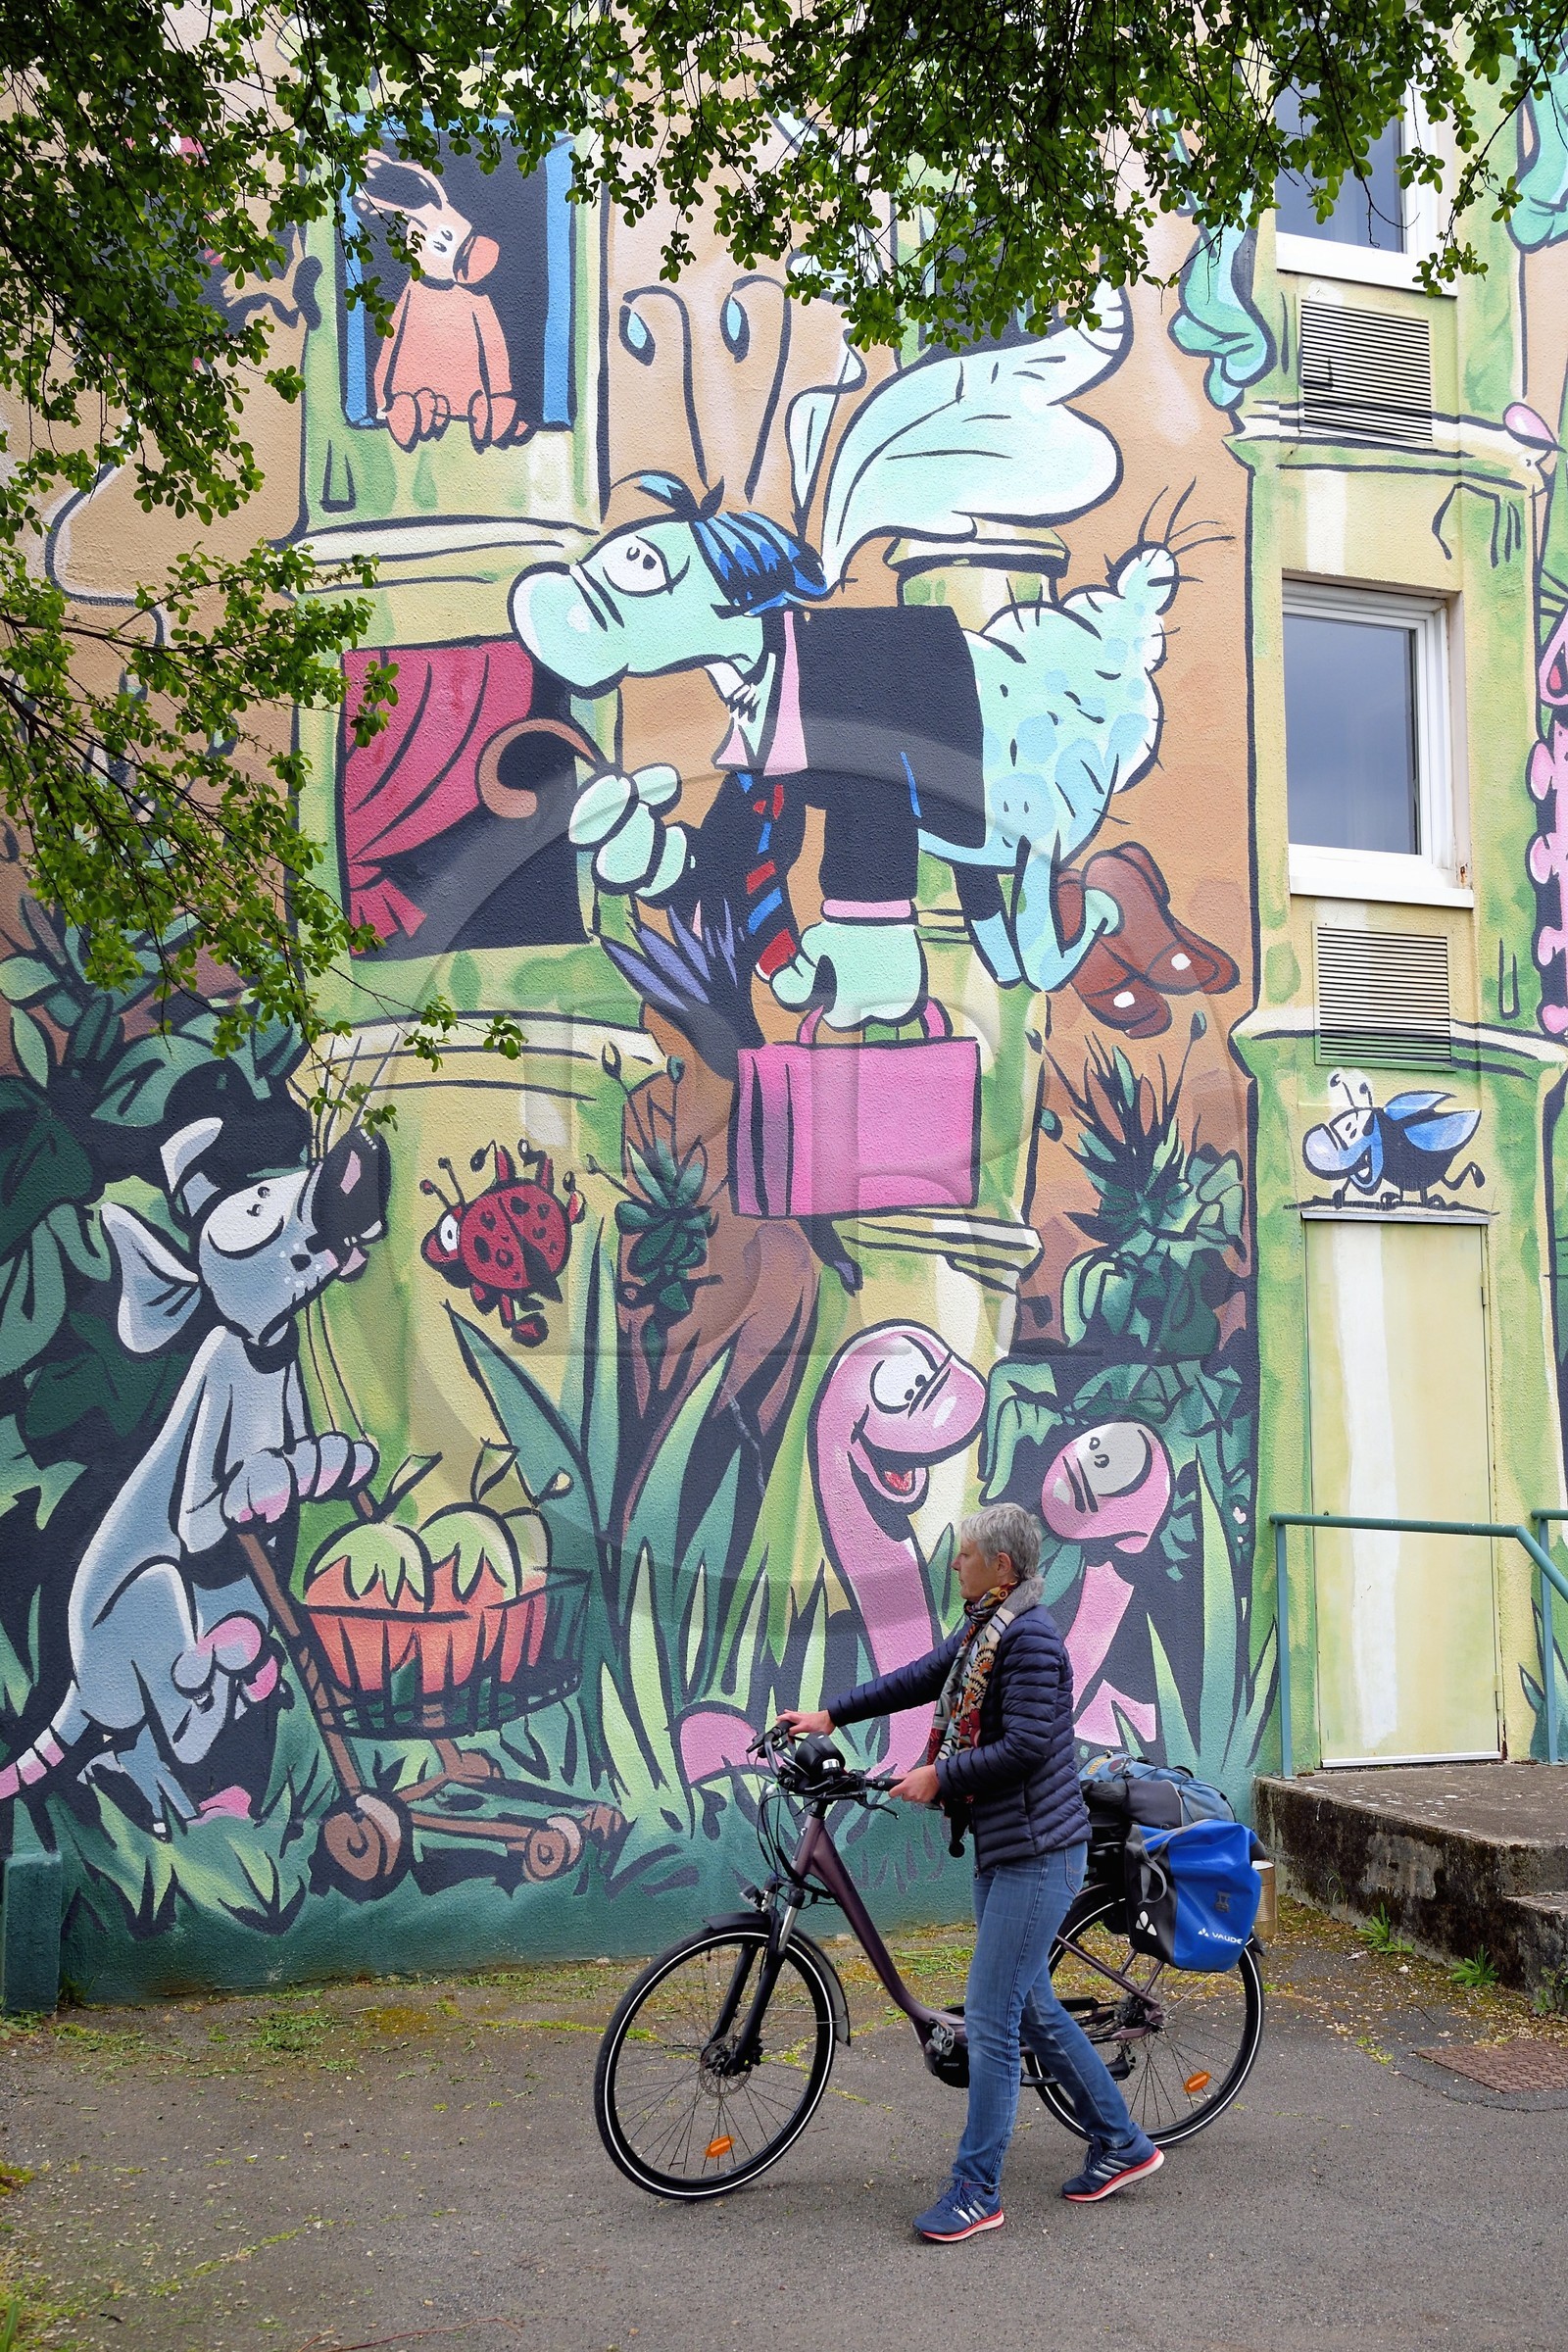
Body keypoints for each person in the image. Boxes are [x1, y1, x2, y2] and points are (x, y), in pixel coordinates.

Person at [780, 1499, 1163, 2243]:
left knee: (990, 2020)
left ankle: (977, 2189)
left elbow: (1026, 1747)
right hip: (1007, 1847)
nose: (955, 1563)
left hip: (1038, 1855)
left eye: (965, 1554)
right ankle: (1122, 2142)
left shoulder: (1032, 1642)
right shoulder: (985, 1631)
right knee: (1031, 2007)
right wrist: (832, 1715)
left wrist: (941, 1777)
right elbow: (925, 1676)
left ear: (1001, 1565)